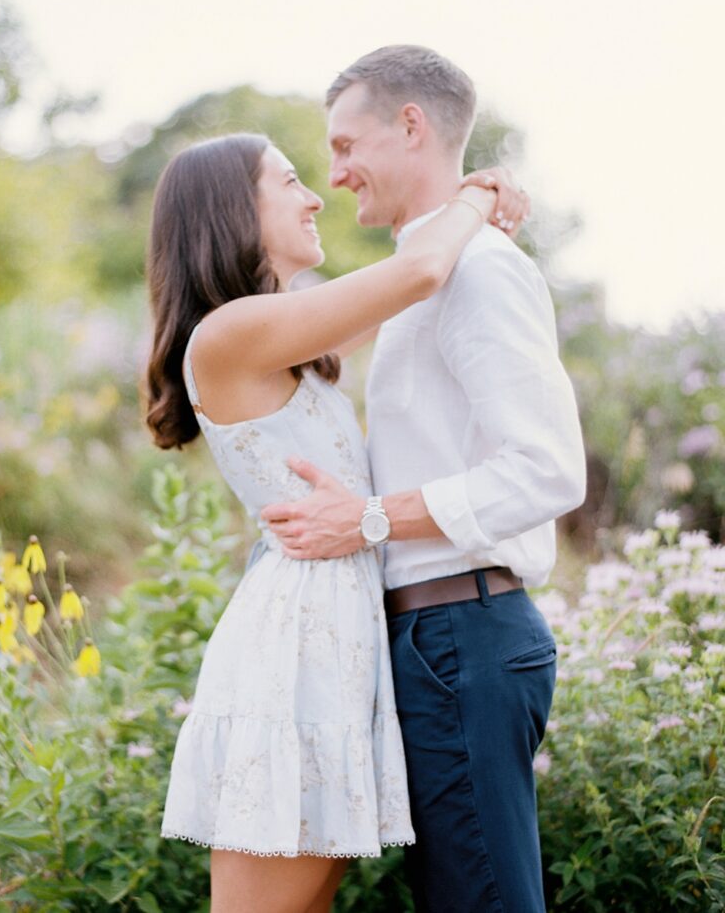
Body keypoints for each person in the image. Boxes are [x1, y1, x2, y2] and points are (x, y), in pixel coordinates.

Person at [144, 131, 528, 913]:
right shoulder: (230, 334)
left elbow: (419, 288)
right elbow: (418, 272)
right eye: (288, 181)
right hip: (295, 648)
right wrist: (479, 195)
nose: (315, 195)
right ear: (231, 211)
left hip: (336, 636)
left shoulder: (287, 339)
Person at [262, 45, 587, 913]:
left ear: (411, 126)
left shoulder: (479, 272)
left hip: (464, 632)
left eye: (344, 145)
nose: (335, 175)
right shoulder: (420, 280)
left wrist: (366, 520)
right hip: (438, 638)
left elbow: (548, 469)